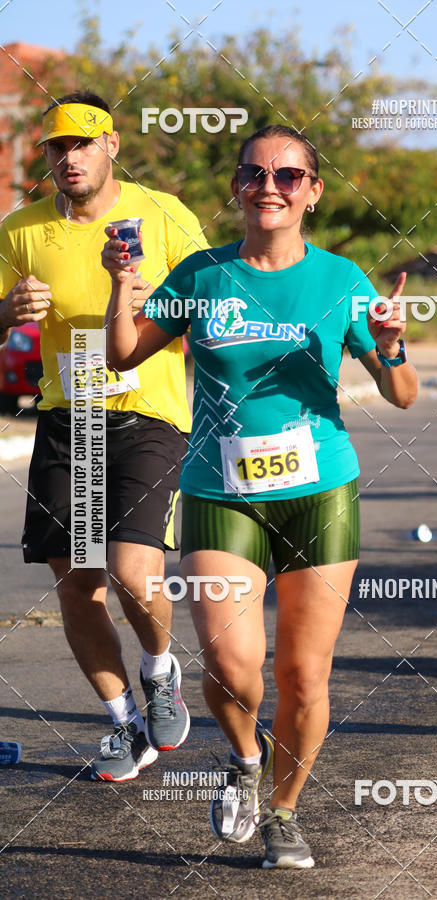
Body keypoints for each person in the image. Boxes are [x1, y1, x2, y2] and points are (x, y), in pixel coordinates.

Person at [103, 124, 418, 867]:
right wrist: (123, 285)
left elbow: (401, 393)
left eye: (287, 175)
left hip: (320, 493)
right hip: (220, 491)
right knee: (229, 663)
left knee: (304, 675)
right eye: (254, 174)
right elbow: (122, 354)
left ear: (311, 190)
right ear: (237, 187)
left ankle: (283, 809)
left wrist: (394, 343)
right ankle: (245, 761)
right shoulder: (202, 275)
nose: (268, 187)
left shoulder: (342, 281)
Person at [0, 90, 209, 781]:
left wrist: (168, 308)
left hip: (149, 411)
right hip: (72, 416)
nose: (69, 158)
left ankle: (159, 670)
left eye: (81, 144)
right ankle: (123, 727)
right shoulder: (22, 229)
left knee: (129, 569)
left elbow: (216, 303)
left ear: (111, 144)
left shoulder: (161, 213)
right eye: (56, 148)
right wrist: (5, 311)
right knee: (77, 582)